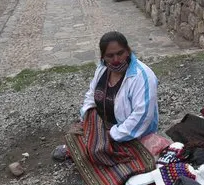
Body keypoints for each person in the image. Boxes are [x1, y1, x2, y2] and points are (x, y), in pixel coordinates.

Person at [53, 31, 159, 160]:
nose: (116, 60)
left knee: (98, 153)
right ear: (103, 57)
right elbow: (91, 95)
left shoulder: (143, 77)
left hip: (132, 133)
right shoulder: (102, 69)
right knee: (77, 137)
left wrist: (112, 135)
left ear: (128, 51)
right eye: (110, 56)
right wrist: (87, 118)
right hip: (104, 125)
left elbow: (142, 117)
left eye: (120, 53)